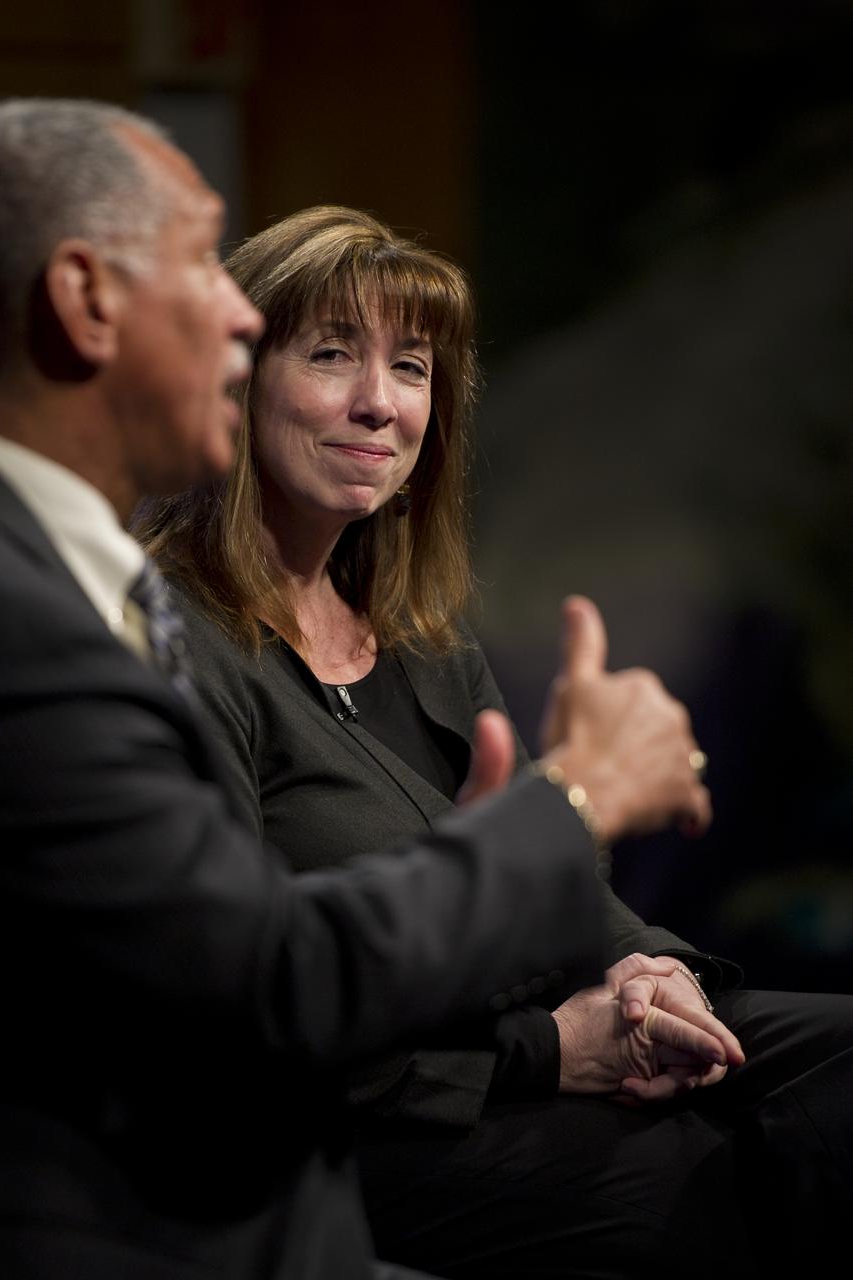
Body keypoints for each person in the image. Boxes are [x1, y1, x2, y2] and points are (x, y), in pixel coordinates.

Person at [0, 102, 723, 1280]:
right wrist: (573, 802)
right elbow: (259, 987)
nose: (235, 314)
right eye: (201, 267)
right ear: (84, 299)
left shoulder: (13, 567)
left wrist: (629, 960)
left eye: (409, 368)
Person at [139, 205, 853, 1276]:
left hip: (533, 1030)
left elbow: (552, 861)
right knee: (689, 1174)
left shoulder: (414, 629)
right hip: (357, 1122)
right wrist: (551, 1051)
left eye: (412, 367)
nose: (381, 404)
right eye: (333, 355)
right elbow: (238, 1020)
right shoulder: (173, 646)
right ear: (237, 379)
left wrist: (645, 966)